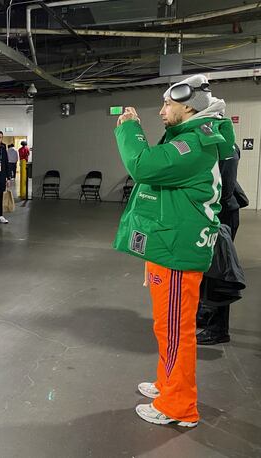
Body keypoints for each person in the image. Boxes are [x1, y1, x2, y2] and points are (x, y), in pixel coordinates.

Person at [114, 74, 235, 427]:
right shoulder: (192, 137)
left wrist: (130, 128)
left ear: (188, 106)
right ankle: (169, 385)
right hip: (170, 246)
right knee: (166, 326)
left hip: (177, 251)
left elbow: (143, 165)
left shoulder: (194, 144)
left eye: (168, 104)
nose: (162, 110)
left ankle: (178, 406)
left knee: (175, 330)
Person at [197, 144, 245, 345]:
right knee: (206, 270)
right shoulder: (208, 139)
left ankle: (218, 329)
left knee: (219, 273)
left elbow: (224, 188)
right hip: (211, 213)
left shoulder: (224, 143)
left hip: (222, 214)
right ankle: (207, 314)